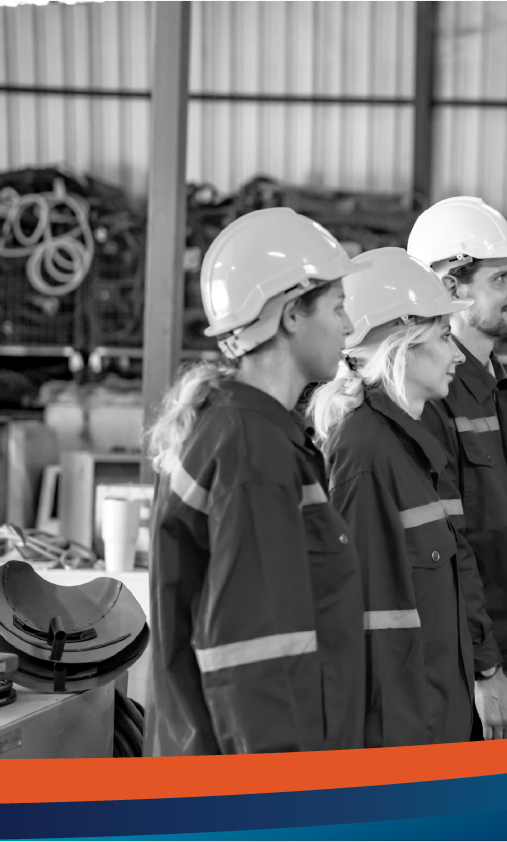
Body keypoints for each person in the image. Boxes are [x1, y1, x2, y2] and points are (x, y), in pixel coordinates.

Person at [145, 208, 365, 755]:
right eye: (338, 308)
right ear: (292, 314)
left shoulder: (241, 427)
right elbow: (258, 657)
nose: (349, 326)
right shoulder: (253, 449)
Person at [309, 247, 507, 743]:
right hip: (399, 735)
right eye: (445, 337)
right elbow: (361, 623)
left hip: (436, 717)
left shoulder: (412, 446)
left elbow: (452, 576)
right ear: (403, 345)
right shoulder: (365, 454)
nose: (454, 354)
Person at [407, 197, 507, 733]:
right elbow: (445, 547)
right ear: (451, 287)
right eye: (501, 278)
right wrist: (485, 672)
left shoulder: (494, 386)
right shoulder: (431, 397)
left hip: (498, 653)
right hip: (458, 669)